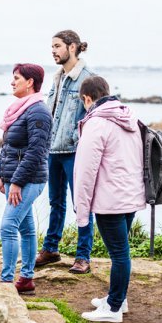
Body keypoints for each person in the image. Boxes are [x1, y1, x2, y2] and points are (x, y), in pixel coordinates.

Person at [74, 76, 146, 323]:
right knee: (121, 250)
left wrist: (81, 212)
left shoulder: (97, 124)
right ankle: (119, 298)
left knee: (119, 254)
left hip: (110, 200)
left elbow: (84, 172)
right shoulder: (130, 119)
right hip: (130, 195)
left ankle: (113, 308)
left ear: (87, 98)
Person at [36, 30, 95, 274]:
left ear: (72, 48)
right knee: (55, 202)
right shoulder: (57, 78)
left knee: (81, 204)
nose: (53, 50)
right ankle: (51, 249)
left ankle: (83, 256)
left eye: (57, 46)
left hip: (73, 152)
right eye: (52, 46)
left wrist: (74, 138)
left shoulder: (88, 79)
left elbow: (93, 116)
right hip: (52, 149)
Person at [0, 63, 51, 295]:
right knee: (26, 228)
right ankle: (26, 280)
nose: (12, 81)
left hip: (29, 180)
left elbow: (37, 152)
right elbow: (8, 146)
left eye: (17, 77)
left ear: (30, 82)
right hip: (13, 178)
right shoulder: (19, 109)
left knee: (8, 226)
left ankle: (7, 282)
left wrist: (16, 182)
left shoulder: (38, 111)